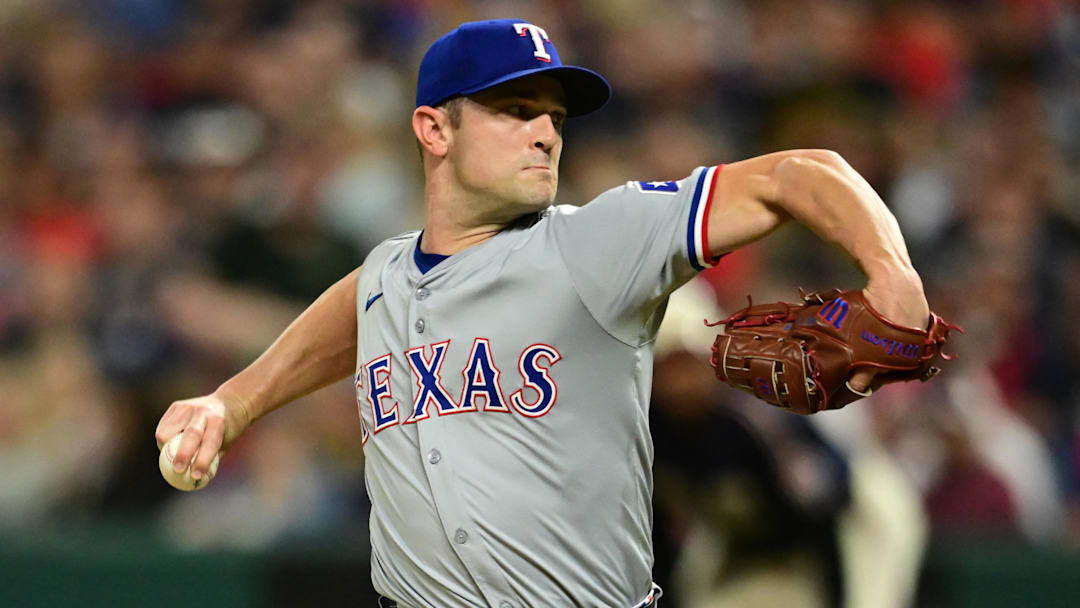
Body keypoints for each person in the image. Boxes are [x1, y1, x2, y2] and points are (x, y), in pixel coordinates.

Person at [155, 19, 930, 608]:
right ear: (434, 128)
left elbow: (801, 173)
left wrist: (891, 271)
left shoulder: (598, 242)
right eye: (515, 109)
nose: (546, 132)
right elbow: (357, 306)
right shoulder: (388, 273)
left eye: (554, 115)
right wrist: (232, 402)